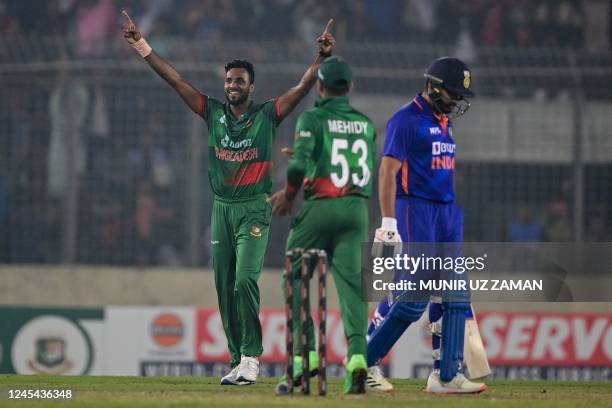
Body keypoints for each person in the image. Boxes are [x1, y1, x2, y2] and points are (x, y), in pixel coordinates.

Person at [122, 11, 336, 386]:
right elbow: (175, 80)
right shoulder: (213, 112)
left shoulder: (267, 115)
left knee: (244, 282)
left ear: (251, 88)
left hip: (254, 208)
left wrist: (320, 60)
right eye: (229, 80)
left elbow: (301, 88)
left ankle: (253, 357)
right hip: (221, 209)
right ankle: (237, 359)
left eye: (239, 81)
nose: (232, 85)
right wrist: (142, 45)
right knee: (223, 285)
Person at [366, 57, 487, 394]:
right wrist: (388, 222)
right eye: (452, 93)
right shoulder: (405, 119)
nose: (457, 100)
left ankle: (446, 376)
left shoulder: (443, 120)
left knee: (456, 294)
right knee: (413, 296)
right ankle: (364, 363)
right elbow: (387, 171)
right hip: (414, 210)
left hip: (447, 213)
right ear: (433, 86)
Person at [268, 56, 376, 394]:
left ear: (319, 86)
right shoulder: (366, 123)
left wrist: (288, 194)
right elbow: (349, 165)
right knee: (354, 288)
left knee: (296, 275)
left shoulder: (312, 117)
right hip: (357, 210)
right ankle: (358, 358)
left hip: (320, 210)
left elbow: (299, 167)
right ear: (350, 88)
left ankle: (306, 357)